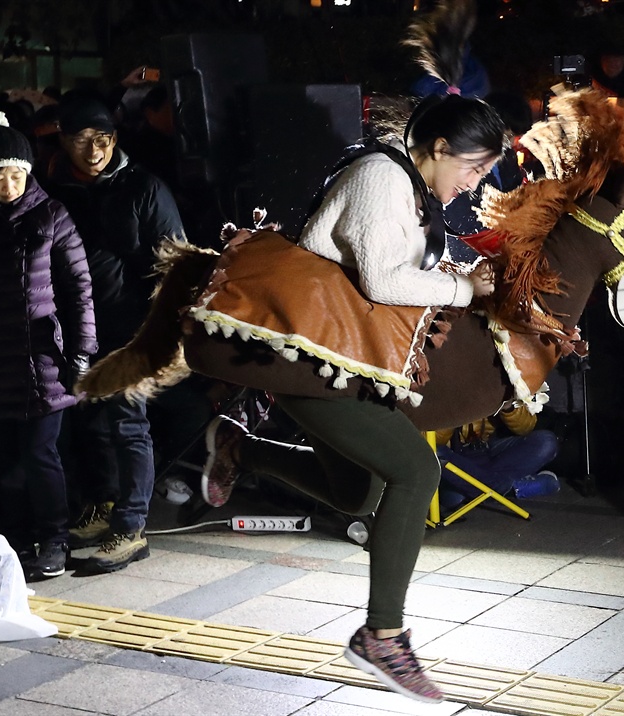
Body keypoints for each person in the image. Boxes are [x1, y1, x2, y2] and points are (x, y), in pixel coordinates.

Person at [199, 92, 506, 703]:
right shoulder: (380, 177)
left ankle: (242, 449)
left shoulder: (413, 189)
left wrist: (460, 278)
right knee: (417, 471)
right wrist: (465, 290)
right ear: (439, 149)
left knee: (356, 492)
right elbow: (385, 281)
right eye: (472, 168)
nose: (474, 184)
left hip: (341, 362)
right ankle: (382, 636)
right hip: (307, 358)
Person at [44, 97, 186, 573]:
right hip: (77, 327)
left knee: (128, 425)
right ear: (64, 140)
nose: (93, 150)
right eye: (81, 139)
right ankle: (102, 505)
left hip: (131, 329)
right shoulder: (53, 187)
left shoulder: (144, 187)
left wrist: (160, 329)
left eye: (102, 139)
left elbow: (177, 261)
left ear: (115, 139)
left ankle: (131, 525)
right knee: (89, 424)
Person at [0, 112, 96, 580]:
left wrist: (83, 350)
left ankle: (54, 539)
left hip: (44, 359)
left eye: (18, 173)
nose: (9, 184)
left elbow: (79, 286)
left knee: (41, 453)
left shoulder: (51, 214)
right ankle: (13, 541)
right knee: (2, 455)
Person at [434, 405, 560, 510]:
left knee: (546, 442)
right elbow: (433, 441)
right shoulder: (437, 382)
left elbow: (526, 428)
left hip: (490, 450)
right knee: (437, 455)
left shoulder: (495, 378)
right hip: (456, 457)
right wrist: (451, 409)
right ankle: (514, 488)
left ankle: (479, 487)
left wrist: (509, 408)